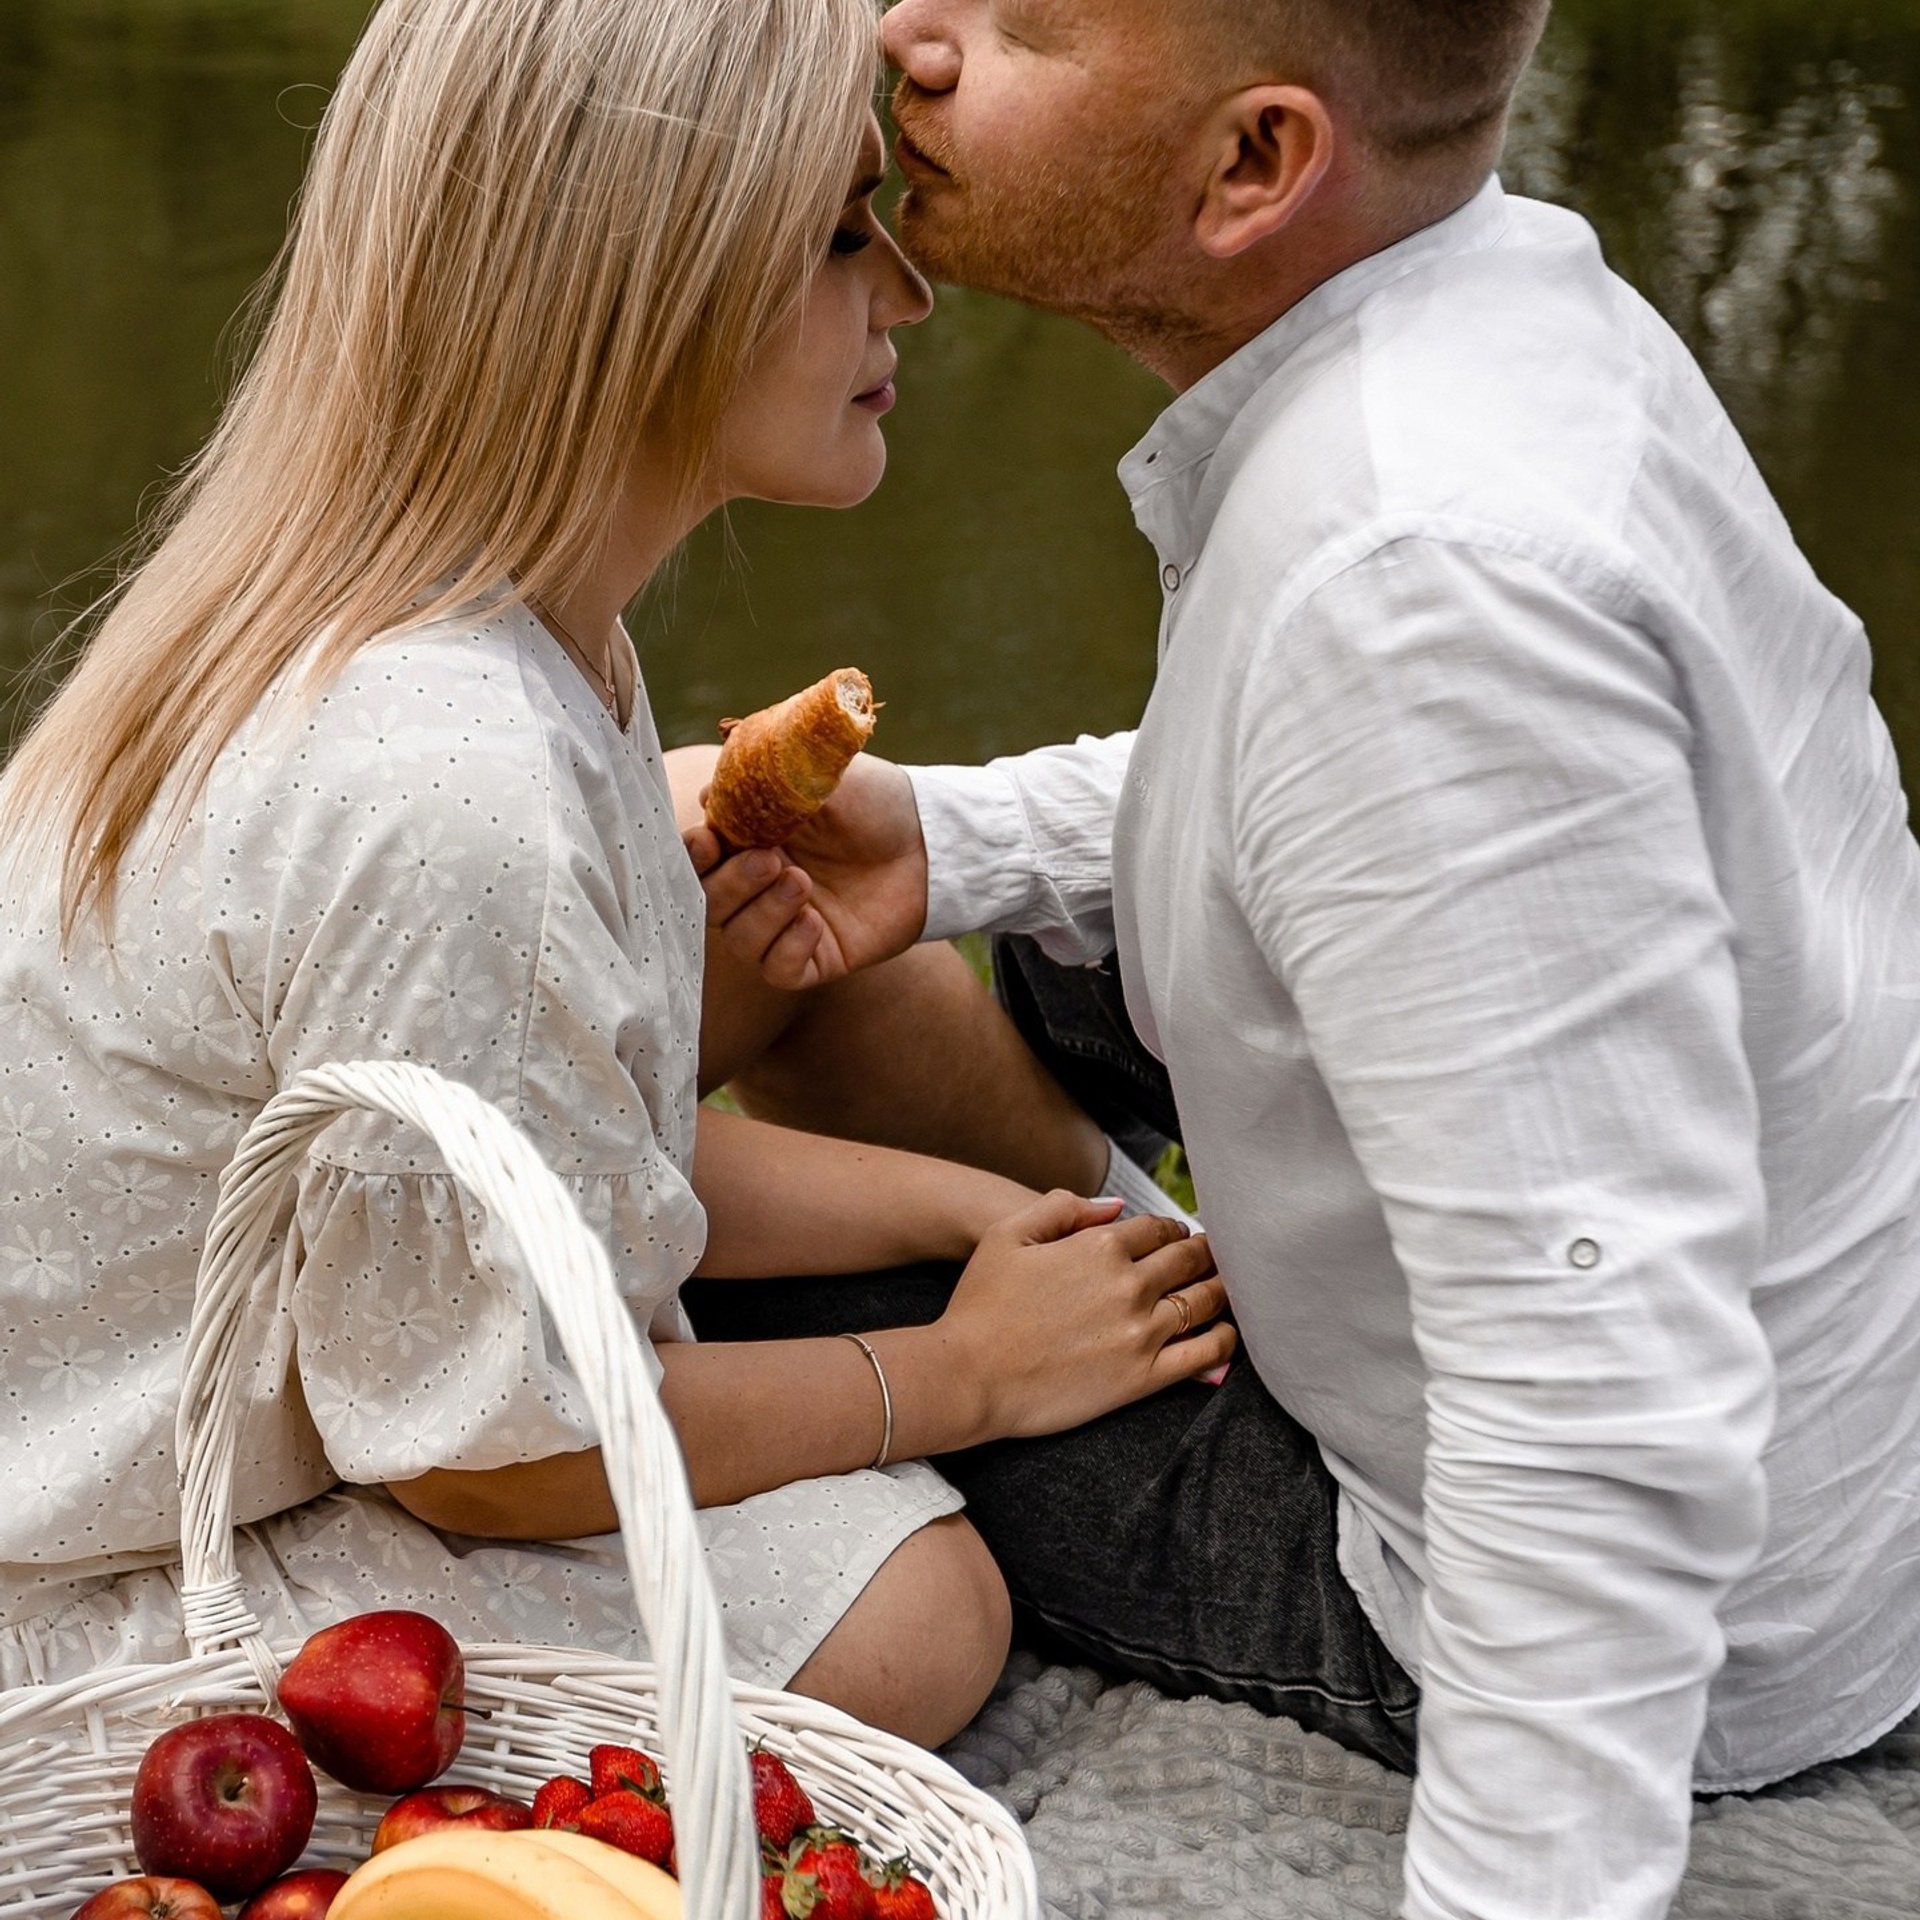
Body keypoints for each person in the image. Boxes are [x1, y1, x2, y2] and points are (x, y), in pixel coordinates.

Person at [687, 0, 1920, 1913]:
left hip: (1622, 1608)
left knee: (709, 1310)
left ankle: (1137, 1319)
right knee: (873, 967)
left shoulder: (1416, 590)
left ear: (1254, 164)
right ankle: (1139, 1257)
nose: (910, 33)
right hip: (1803, 1363)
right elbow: (1322, 790)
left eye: (1023, 26)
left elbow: (1590, 1386)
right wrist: (948, 845)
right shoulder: (1502, 310)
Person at [0, 0, 1233, 1751]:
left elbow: (560, 1166)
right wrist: (958, 1374)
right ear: (644, 287)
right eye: (840, 233)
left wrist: (965, 1217)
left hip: (244, 1398)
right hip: (106, 1565)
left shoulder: (501, 629)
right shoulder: (458, 781)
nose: (905, 291)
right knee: (919, 1611)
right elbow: (484, 1464)